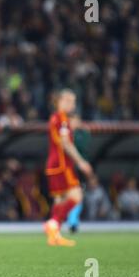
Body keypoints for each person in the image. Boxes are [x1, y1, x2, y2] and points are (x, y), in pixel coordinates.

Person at [44, 89, 94, 246]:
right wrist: (80, 161)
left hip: (53, 164)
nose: (73, 104)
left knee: (60, 199)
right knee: (76, 196)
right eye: (71, 101)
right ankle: (53, 224)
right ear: (61, 101)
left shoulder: (54, 118)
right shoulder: (62, 118)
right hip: (62, 165)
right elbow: (65, 143)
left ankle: (55, 235)